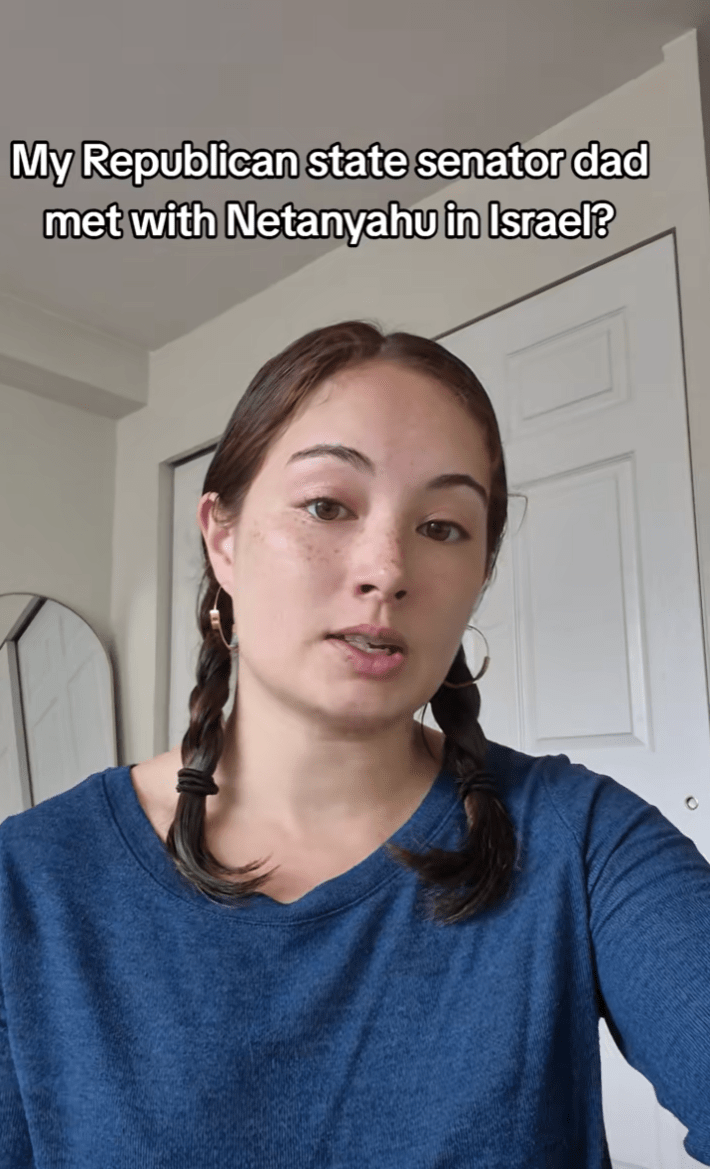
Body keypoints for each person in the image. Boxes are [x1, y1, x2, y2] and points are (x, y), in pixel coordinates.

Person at [1, 320, 709, 1167]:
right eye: (328, 505)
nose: (387, 568)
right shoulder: (28, 885)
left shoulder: (582, 842)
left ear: (480, 575)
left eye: (443, 526)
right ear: (221, 537)